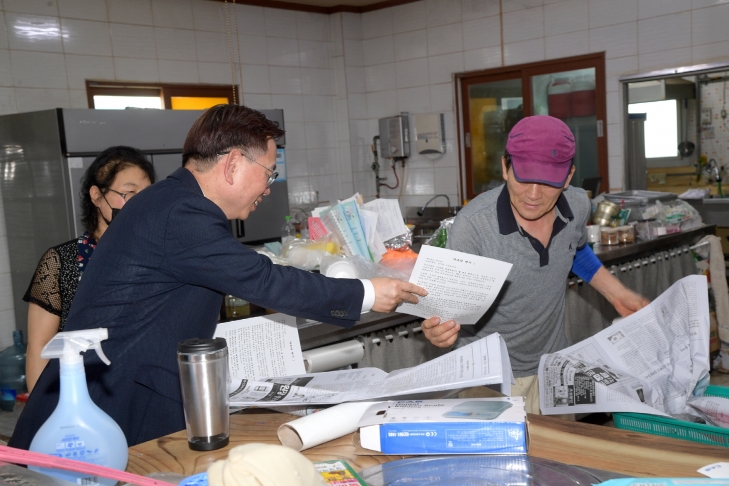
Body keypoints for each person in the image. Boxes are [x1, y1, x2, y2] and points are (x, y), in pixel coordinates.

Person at [9, 104, 426, 448]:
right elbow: (264, 280)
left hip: (119, 397)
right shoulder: (181, 213)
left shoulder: (177, 203)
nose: (268, 187)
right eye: (268, 172)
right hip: (107, 408)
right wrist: (368, 292)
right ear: (232, 164)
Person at [420, 115, 649, 414]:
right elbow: (447, 310)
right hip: (489, 378)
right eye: (524, 178)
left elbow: (575, 251)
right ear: (505, 167)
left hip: (553, 367)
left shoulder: (578, 205)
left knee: (557, 457)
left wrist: (617, 294)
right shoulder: (474, 226)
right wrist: (438, 330)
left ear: (568, 178)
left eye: (548, 183)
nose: (533, 195)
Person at [23, 146, 156, 392]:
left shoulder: (157, 257)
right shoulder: (61, 262)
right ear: (96, 195)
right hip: (79, 392)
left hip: (141, 390)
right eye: (129, 193)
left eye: (146, 195)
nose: (139, 204)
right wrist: (38, 418)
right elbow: (40, 348)